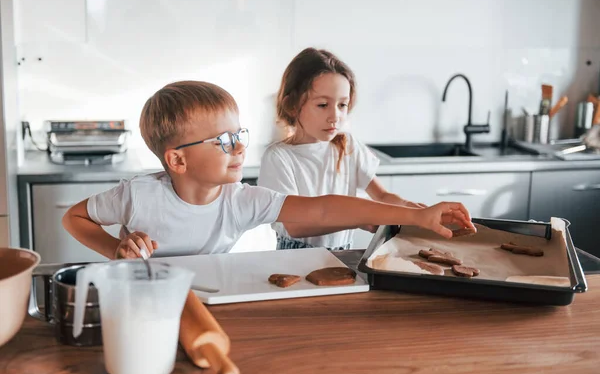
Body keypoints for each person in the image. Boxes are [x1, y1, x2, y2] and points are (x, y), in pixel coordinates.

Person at [62, 80, 475, 259]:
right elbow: (73, 216)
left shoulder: (240, 201)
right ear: (177, 160)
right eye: (223, 141)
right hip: (146, 302)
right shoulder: (138, 196)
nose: (240, 146)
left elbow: (324, 210)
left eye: (237, 133)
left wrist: (416, 215)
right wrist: (114, 249)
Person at [259, 47, 425, 250]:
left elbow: (382, 197)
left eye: (342, 105)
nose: (335, 116)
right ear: (292, 105)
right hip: (293, 257)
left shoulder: (347, 146)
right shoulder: (279, 157)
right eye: (322, 105)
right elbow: (295, 225)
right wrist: (358, 219)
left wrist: (417, 211)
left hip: (343, 254)